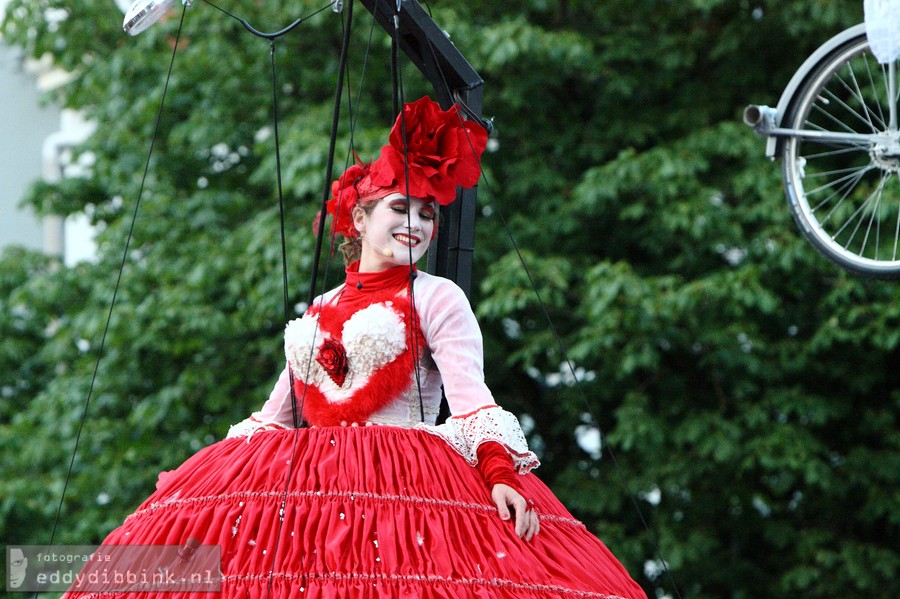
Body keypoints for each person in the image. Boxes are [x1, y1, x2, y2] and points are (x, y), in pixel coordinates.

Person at [65, 97, 646, 598]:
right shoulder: (320, 308)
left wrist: (500, 473)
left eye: (427, 213)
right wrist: (202, 486)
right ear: (361, 217)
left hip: (407, 485)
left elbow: (471, 401)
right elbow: (277, 416)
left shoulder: (436, 297)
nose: (415, 224)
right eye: (400, 208)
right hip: (313, 497)